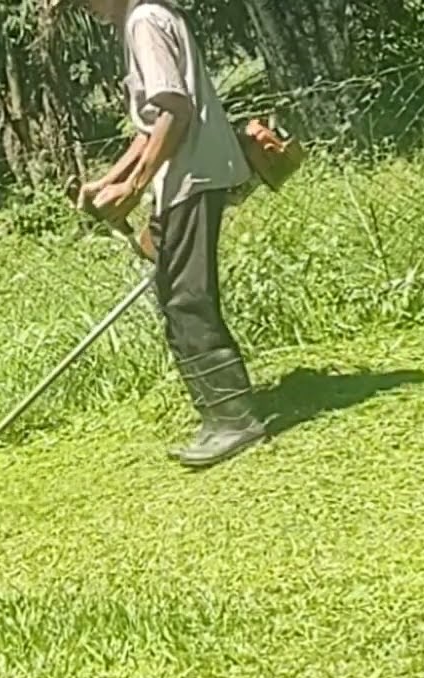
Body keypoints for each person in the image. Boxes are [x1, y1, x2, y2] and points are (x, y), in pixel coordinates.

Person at [62, 0, 267, 468]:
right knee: (175, 293)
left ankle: (234, 420)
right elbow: (153, 124)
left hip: (191, 179)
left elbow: (176, 111)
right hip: (183, 179)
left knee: (187, 298)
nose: (86, 7)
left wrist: (132, 190)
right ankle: (218, 415)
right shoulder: (148, 19)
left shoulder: (143, 21)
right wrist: (109, 180)